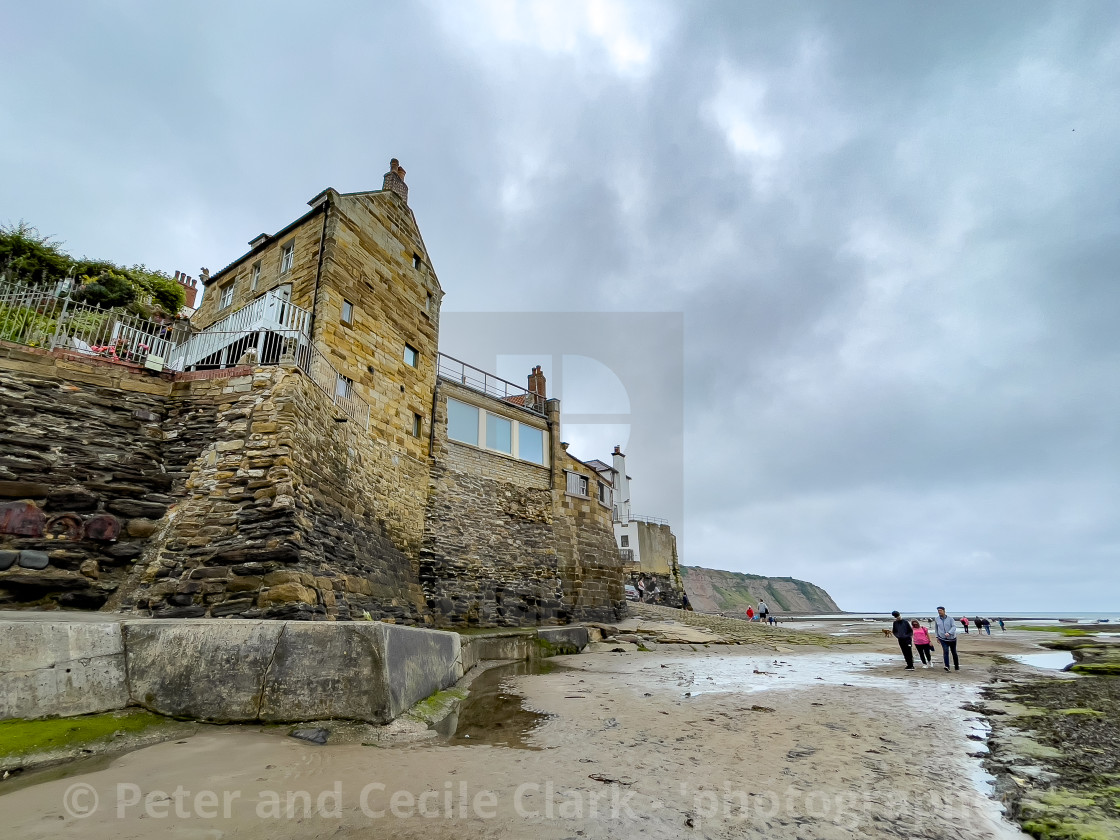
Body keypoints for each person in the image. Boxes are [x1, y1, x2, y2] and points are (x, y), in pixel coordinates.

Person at [935, 606, 960, 671]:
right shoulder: (937, 619)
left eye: (940, 610)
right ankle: (947, 666)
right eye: (938, 611)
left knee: (953, 652)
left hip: (952, 639)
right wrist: (937, 636)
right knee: (945, 652)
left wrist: (949, 632)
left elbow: (954, 627)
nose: (939, 612)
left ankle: (956, 666)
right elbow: (936, 628)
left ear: (944, 611)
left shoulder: (950, 619)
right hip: (942, 638)